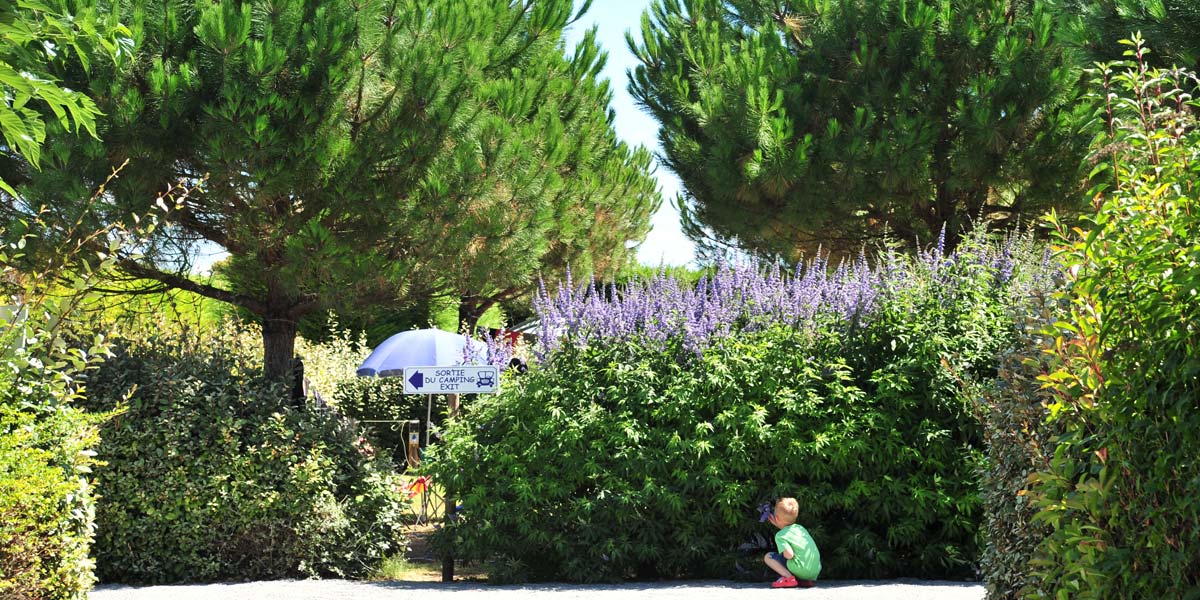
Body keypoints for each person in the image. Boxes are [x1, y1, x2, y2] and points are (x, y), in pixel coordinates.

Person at [763, 497, 821, 588]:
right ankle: (804, 580)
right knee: (798, 558)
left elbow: (789, 555)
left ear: (776, 518)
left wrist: (784, 555)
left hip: (800, 569)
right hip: (814, 571)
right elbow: (788, 532)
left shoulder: (780, 536)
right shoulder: (800, 528)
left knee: (768, 557)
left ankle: (789, 578)